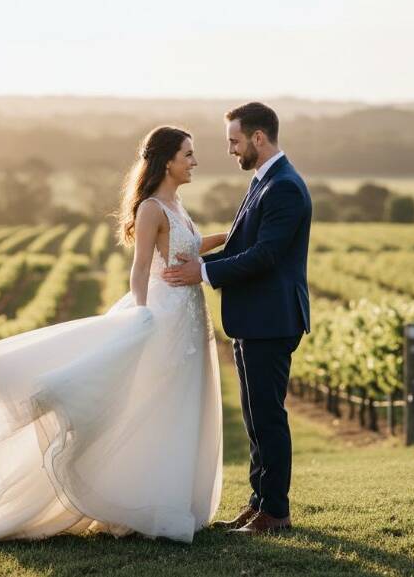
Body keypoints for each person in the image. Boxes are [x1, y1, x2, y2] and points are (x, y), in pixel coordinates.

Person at [0, 126, 226, 545]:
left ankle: (173, 500)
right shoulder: (152, 207)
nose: (194, 162)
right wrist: (142, 317)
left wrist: (229, 236)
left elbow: (190, 248)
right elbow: (139, 268)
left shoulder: (178, 203)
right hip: (165, 315)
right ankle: (140, 501)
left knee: (182, 405)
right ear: (167, 161)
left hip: (191, 316)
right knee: (152, 403)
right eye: (188, 154)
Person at [163, 102, 311, 534]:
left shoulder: (283, 186)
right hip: (254, 318)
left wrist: (204, 271)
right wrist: (197, 257)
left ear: (258, 138)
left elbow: (264, 255)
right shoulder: (263, 181)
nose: (230, 150)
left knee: (268, 417)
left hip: (272, 319)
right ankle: (258, 503)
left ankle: (276, 513)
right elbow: (241, 243)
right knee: (254, 418)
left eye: (234, 141)